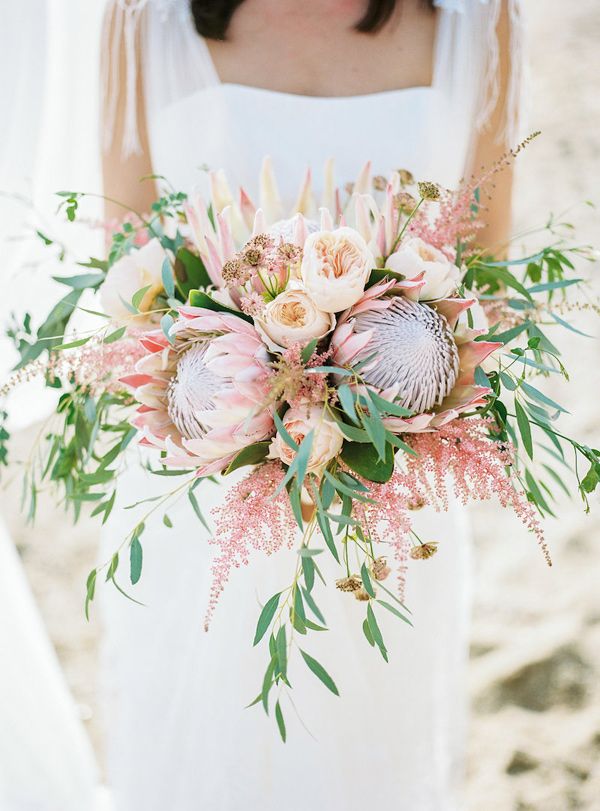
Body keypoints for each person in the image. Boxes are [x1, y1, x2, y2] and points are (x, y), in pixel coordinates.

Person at [100, 2, 522, 809]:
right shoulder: (142, 19)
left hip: (389, 493)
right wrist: (254, 381)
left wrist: (371, 386)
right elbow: (126, 268)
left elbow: (485, 277)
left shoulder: (480, 19)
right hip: (199, 485)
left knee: (370, 759)